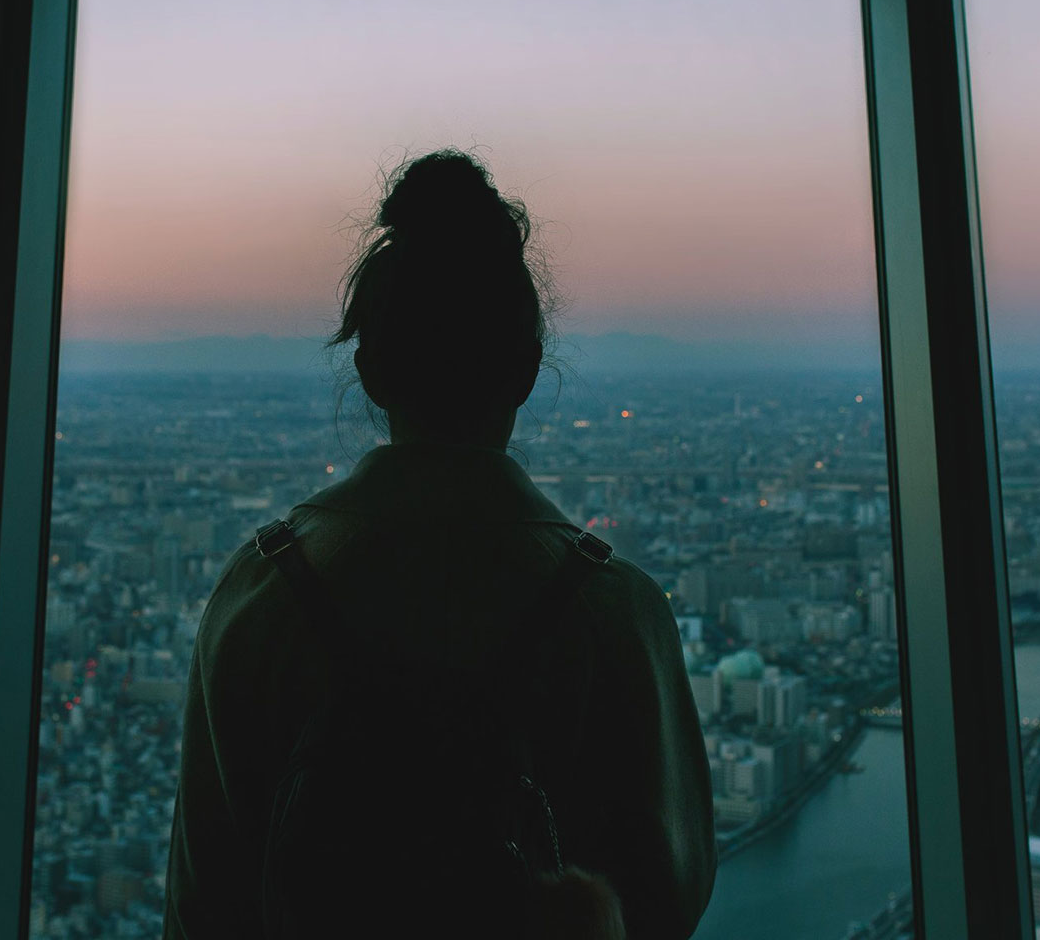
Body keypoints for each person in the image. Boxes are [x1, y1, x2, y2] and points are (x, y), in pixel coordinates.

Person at [163, 150, 715, 939]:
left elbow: (204, 905)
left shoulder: (260, 594)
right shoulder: (614, 610)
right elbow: (670, 896)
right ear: (527, 370)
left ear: (371, 371)